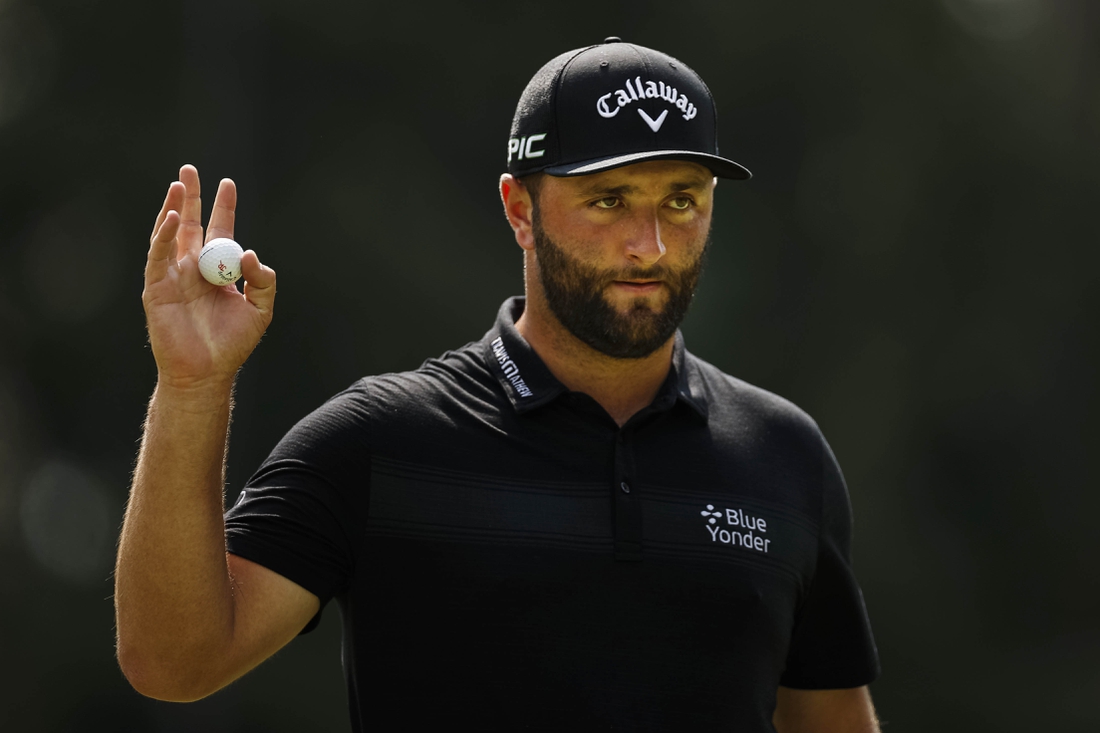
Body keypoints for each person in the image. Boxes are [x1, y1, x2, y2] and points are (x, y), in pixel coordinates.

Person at [115, 38, 881, 731]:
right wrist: (191, 387)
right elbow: (173, 662)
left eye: (681, 201)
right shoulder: (382, 441)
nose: (650, 245)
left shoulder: (784, 456)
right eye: (609, 199)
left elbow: (834, 721)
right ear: (521, 209)